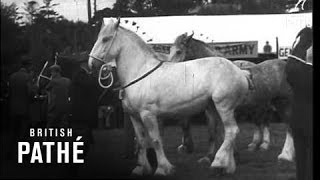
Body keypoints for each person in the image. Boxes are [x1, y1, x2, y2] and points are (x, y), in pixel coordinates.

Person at [8, 57, 37, 159]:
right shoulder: (27, 77)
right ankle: (23, 153)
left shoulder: (12, 76)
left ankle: (10, 152)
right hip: (24, 108)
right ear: (28, 66)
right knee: (25, 132)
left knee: (14, 131)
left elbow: (10, 93)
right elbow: (30, 93)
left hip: (13, 108)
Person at [45, 64, 71, 129]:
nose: (51, 74)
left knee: (50, 125)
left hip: (55, 107)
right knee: (64, 126)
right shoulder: (67, 80)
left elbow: (46, 89)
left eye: (52, 72)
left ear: (55, 72)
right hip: (65, 106)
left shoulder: (53, 81)